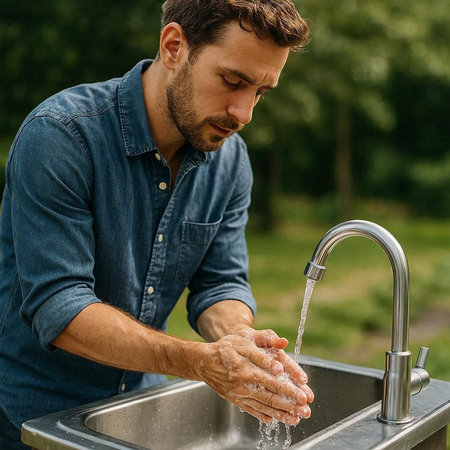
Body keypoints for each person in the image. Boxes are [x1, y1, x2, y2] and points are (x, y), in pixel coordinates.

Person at [0, 0, 313, 447]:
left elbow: (220, 282)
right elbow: (60, 305)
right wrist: (200, 361)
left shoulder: (231, 162)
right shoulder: (61, 136)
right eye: (232, 81)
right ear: (173, 46)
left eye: (260, 92)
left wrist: (241, 343)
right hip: (33, 417)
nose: (243, 114)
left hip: (141, 408)